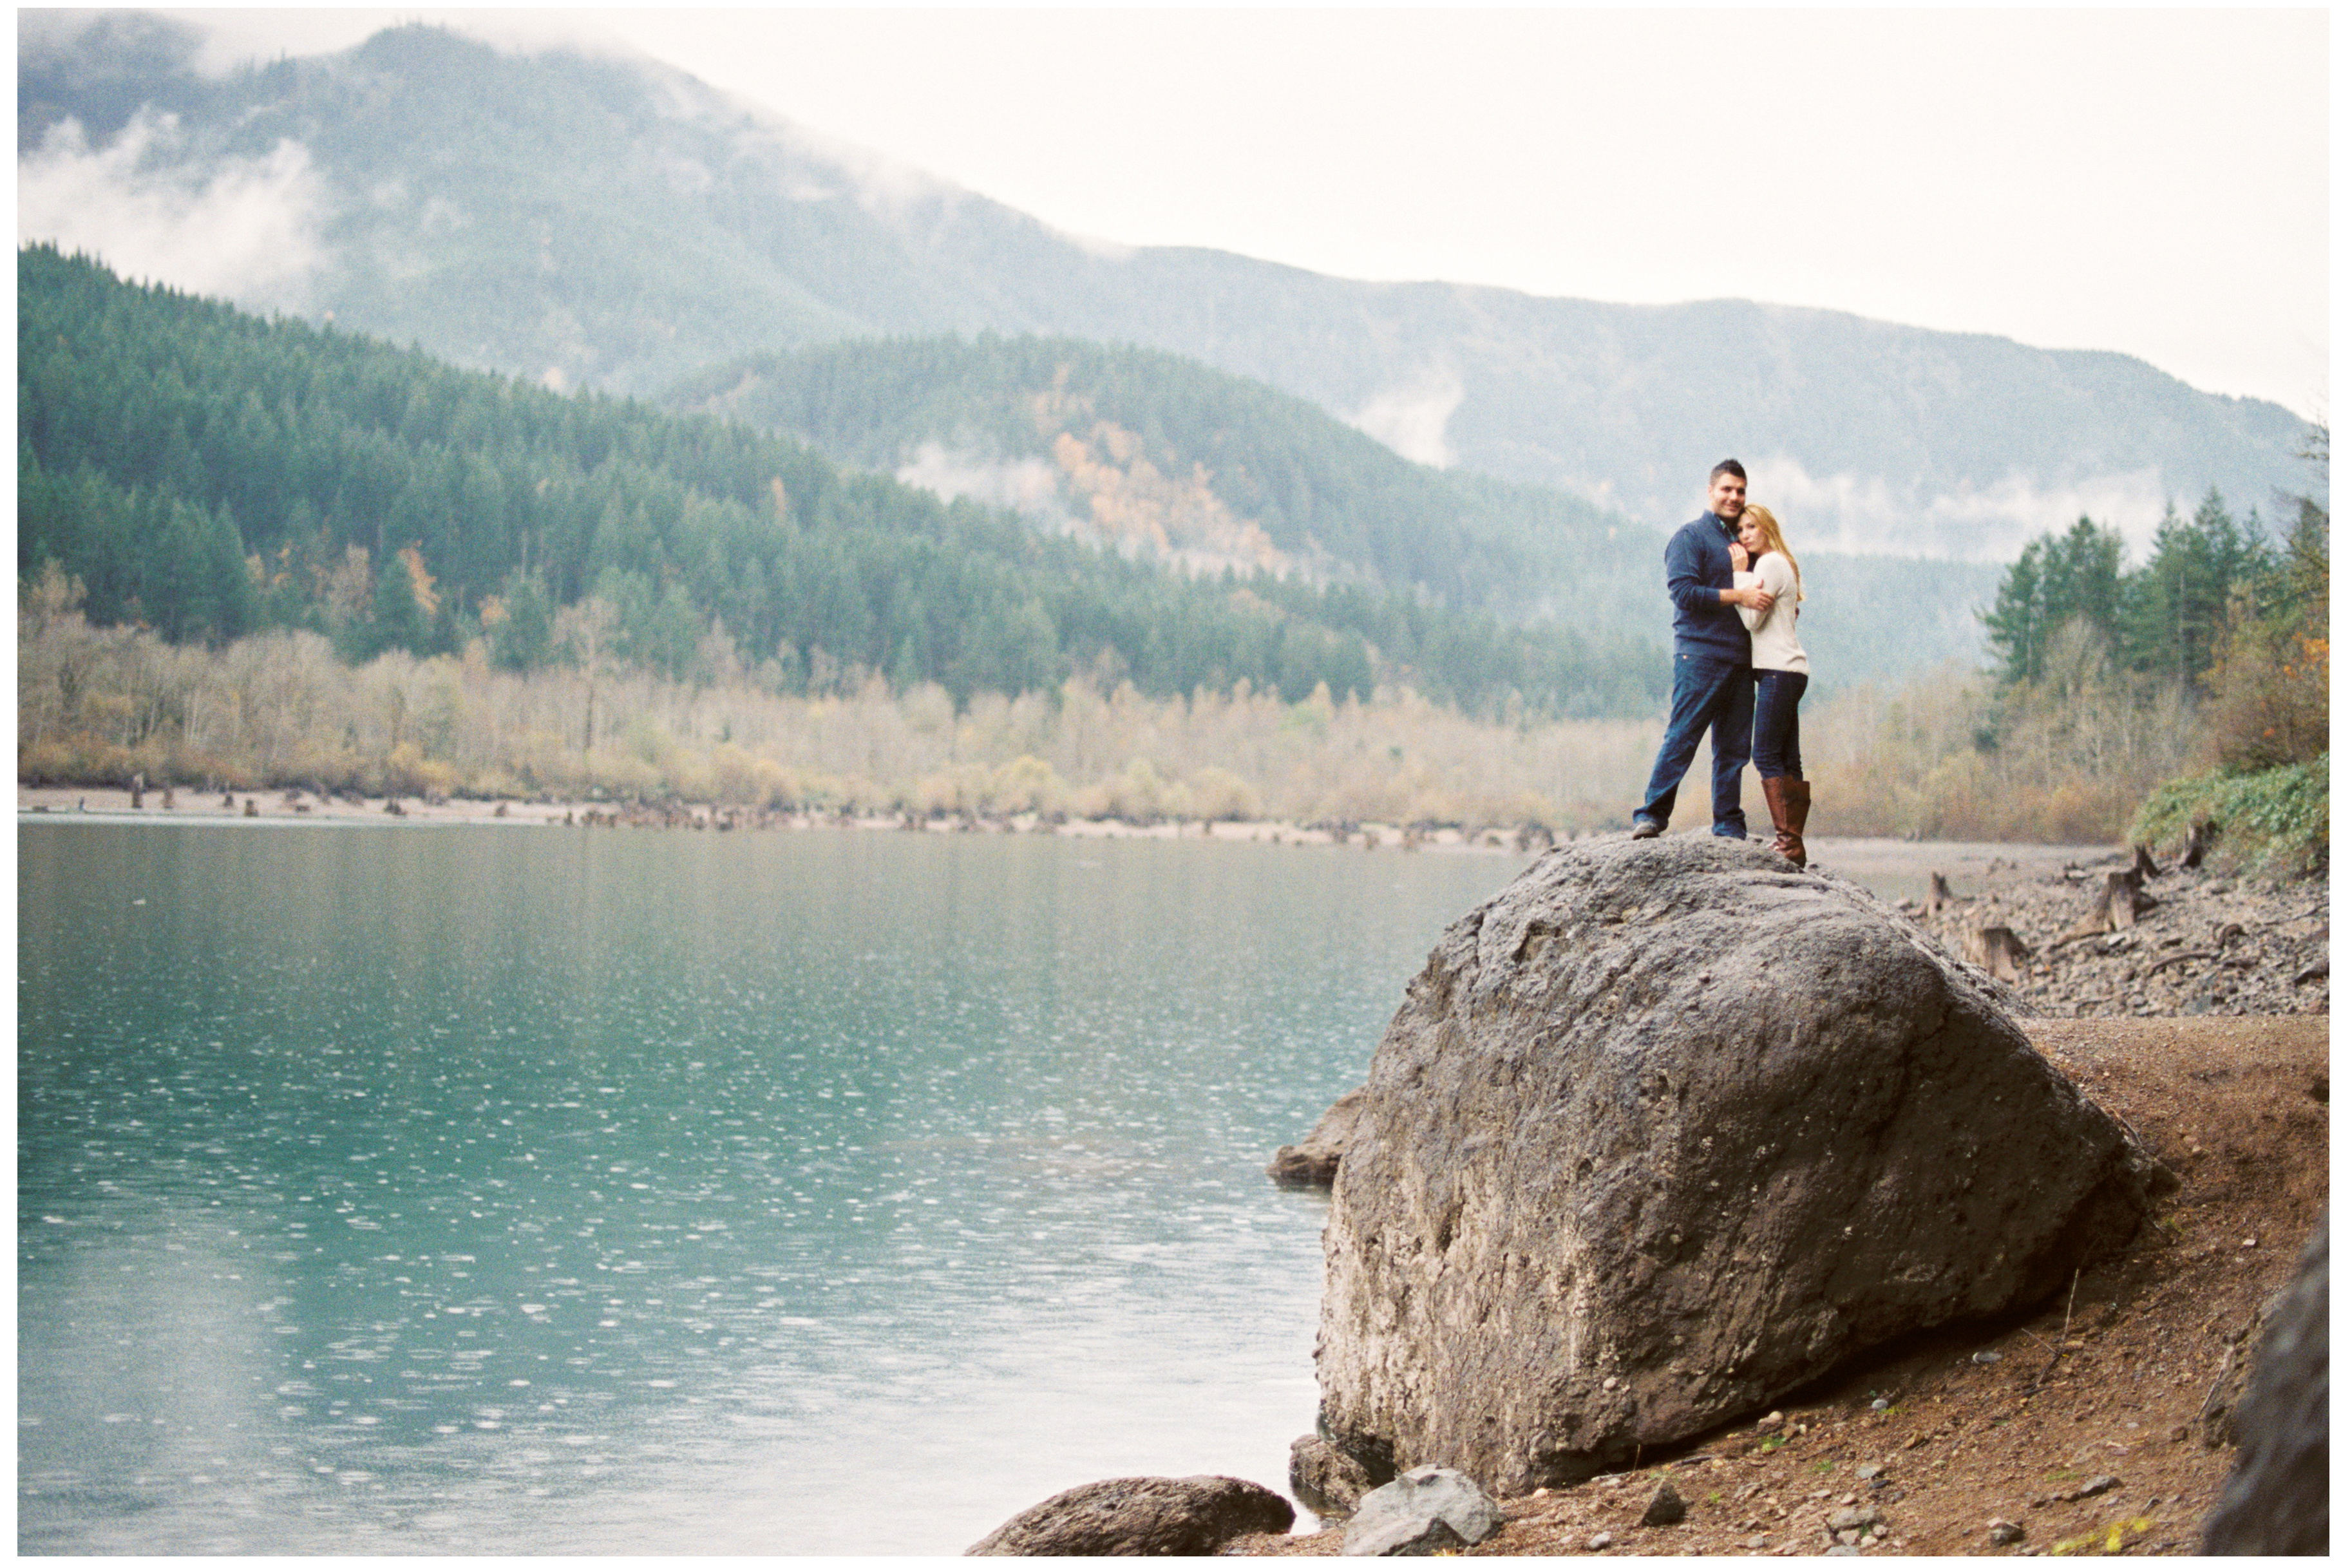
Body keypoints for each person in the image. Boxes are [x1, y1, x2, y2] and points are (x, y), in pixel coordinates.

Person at [1630, 460, 1774, 840]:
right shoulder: (1689, 538)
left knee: (1733, 749)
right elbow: (1684, 593)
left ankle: (1728, 824)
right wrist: (1737, 592)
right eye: (1727, 489)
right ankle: (1651, 815)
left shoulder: (1745, 542)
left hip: (1742, 660)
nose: (1734, 497)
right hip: (1699, 656)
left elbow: (1762, 598)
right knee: (1683, 736)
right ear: (1710, 492)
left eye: (1741, 491)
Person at [1729, 504, 1811, 866]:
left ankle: (1788, 842)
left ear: (1767, 528)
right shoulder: (1783, 564)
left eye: (1751, 527)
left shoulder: (1767, 564)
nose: (1745, 535)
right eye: (1740, 530)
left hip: (1779, 671)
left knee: (1763, 754)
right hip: (1791, 671)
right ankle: (1793, 843)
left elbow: (1751, 620)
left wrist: (1738, 577)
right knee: (1788, 758)